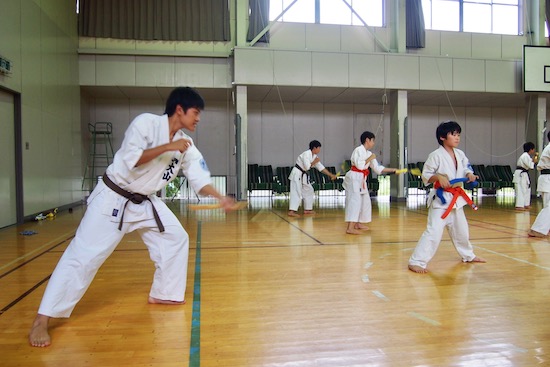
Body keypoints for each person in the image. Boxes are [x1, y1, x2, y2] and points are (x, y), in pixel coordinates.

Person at [29, 87, 236, 347]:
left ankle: (165, 294)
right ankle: (42, 319)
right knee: (83, 257)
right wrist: (169, 145)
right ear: (180, 110)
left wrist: (220, 198)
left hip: (146, 201)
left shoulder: (187, 146)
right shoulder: (146, 124)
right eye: (195, 113)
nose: (198, 119)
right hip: (113, 197)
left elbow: (200, 179)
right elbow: (132, 161)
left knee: (175, 237)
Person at [408, 121, 486, 273]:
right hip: (441, 200)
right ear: (443, 137)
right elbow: (426, 176)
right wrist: (437, 177)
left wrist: (469, 174)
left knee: (462, 230)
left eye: (458, 135)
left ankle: (468, 255)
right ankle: (416, 261)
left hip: (457, 199)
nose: (457, 138)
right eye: (453, 134)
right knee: (434, 231)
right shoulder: (435, 155)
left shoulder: (460, 154)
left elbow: (466, 167)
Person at [343, 131, 398, 234]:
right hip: (354, 178)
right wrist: (370, 158)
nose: (373, 143)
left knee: (365, 201)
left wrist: (393, 170)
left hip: (361, 179)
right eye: (373, 140)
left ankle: (358, 223)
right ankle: (350, 228)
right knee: (355, 202)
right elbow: (359, 166)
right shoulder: (358, 150)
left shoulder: (369, 154)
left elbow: (377, 169)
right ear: (367, 140)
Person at [287, 140, 337, 217]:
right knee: (296, 191)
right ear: (314, 148)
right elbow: (307, 167)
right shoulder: (306, 154)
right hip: (297, 174)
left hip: (303, 175)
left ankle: (307, 209)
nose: (319, 150)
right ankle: (291, 211)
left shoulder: (314, 156)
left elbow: (321, 168)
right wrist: (315, 161)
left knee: (309, 189)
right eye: (319, 148)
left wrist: (330, 175)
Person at [528, 131, 550, 237]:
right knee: (549, 206)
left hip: (546, 179)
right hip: (547, 179)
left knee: (548, 205)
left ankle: (545, 228)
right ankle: (537, 229)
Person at [513, 142, 537, 210]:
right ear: (531, 149)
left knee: (526, 189)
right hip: (521, 175)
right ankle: (519, 205)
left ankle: (526, 204)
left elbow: (530, 164)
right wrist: (534, 161)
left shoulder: (526, 156)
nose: (534, 150)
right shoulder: (525, 156)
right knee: (521, 190)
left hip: (524, 174)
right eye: (533, 149)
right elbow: (530, 166)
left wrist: (533, 161)